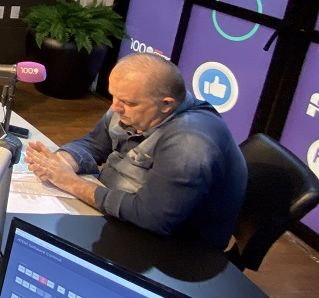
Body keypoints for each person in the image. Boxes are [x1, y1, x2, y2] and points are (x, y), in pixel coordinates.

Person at [24, 53, 247, 248]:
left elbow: (152, 217)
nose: (114, 107)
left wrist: (72, 183)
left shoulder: (189, 144)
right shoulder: (137, 108)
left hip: (173, 248)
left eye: (127, 102)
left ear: (167, 104)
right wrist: (61, 163)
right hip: (117, 215)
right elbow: (94, 143)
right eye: (113, 96)